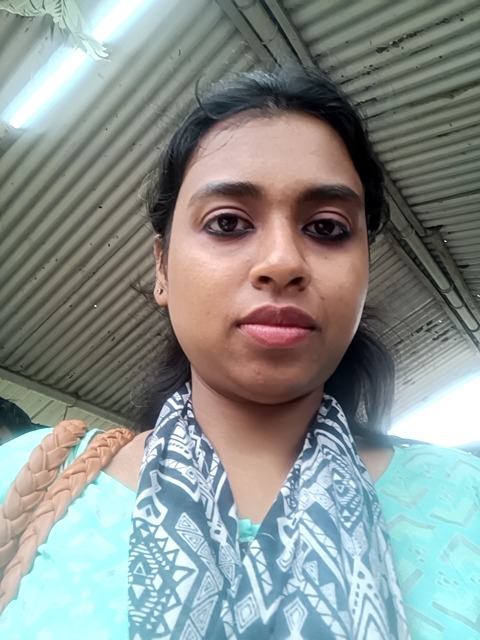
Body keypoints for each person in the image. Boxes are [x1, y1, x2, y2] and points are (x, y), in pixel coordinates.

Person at [0, 65, 479, 640]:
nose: (282, 262)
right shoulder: (25, 480)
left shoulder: (465, 500)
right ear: (162, 268)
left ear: (364, 273)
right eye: (227, 222)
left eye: (327, 229)